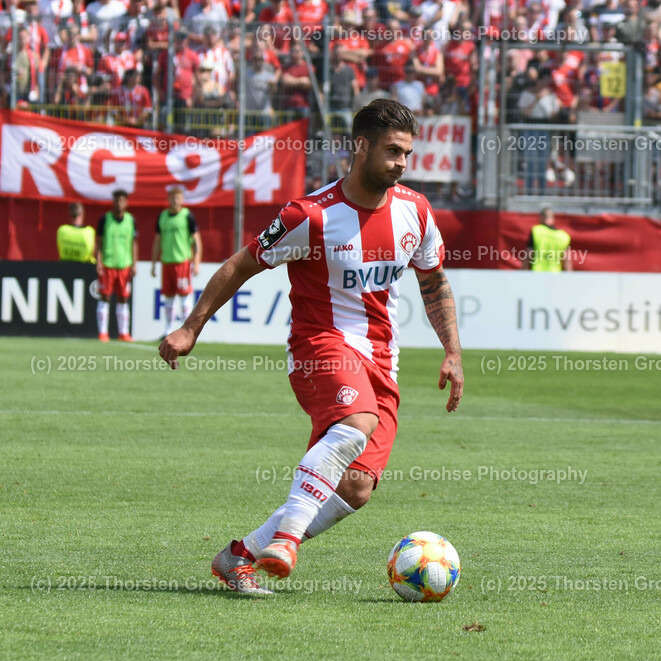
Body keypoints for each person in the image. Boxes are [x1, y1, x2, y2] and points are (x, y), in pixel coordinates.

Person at [158, 100, 465, 594]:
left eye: (407, 153)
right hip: (319, 344)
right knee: (355, 424)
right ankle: (288, 539)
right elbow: (241, 265)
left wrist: (452, 351)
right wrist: (191, 327)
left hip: (382, 360)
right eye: (392, 151)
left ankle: (238, 555)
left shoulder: (416, 211)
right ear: (360, 147)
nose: (401, 163)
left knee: (357, 487)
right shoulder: (311, 215)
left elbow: (434, 282)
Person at [151, 187, 202, 339]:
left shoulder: (187, 216)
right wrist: (154, 263)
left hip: (183, 263)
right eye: (172, 197)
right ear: (168, 199)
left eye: (178, 197)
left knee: (185, 296)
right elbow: (157, 241)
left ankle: (187, 331)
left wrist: (197, 262)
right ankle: (168, 330)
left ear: (182, 199)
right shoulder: (162, 217)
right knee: (168, 297)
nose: (175, 200)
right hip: (167, 262)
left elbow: (197, 240)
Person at [95, 189, 138, 342]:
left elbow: (134, 243)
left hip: (124, 265)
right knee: (104, 297)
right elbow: (98, 242)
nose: (119, 203)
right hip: (108, 264)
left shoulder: (131, 220)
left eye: (122, 200)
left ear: (126, 202)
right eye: (116, 200)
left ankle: (123, 333)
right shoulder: (104, 219)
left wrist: (134, 263)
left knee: (123, 298)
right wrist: (98, 261)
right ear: (112, 202)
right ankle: (103, 333)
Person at [526, 207, 573, 272]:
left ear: (541, 217)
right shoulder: (564, 236)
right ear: (553, 218)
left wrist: (522, 272)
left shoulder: (536, 231)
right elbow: (567, 263)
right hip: (555, 275)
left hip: (537, 274)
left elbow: (528, 255)